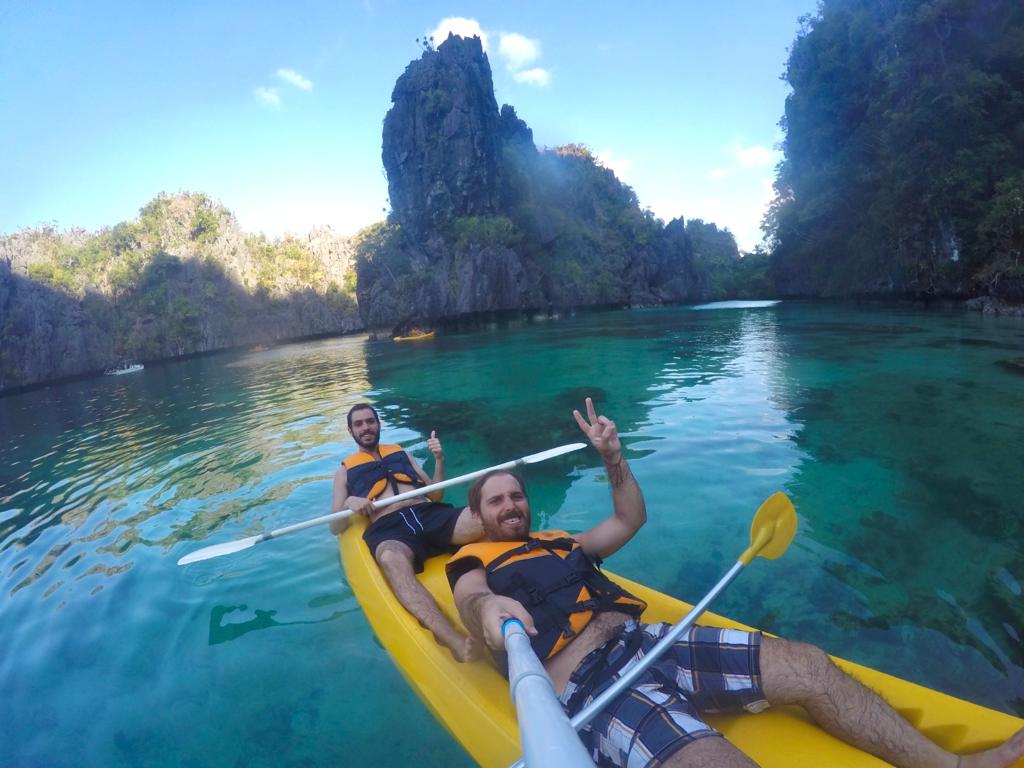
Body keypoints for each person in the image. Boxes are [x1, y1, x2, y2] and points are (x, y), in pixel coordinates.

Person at [447, 398, 1024, 768]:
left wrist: (615, 460)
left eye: (517, 495)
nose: (511, 506)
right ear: (479, 514)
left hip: (651, 642)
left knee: (810, 666)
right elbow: (473, 602)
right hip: (597, 688)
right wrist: (490, 608)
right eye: (496, 500)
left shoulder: (561, 540)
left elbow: (628, 521)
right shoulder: (471, 561)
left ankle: (953, 765)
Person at [331, 403, 483, 662]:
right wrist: (349, 503)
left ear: (378, 424)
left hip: (429, 515)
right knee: (391, 558)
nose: (365, 427)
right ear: (350, 430)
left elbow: (435, 494)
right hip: (390, 527)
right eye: (359, 424)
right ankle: (452, 639)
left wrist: (439, 460)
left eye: (370, 421)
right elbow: (334, 526)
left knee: (483, 518)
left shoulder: (402, 454)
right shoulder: (344, 471)